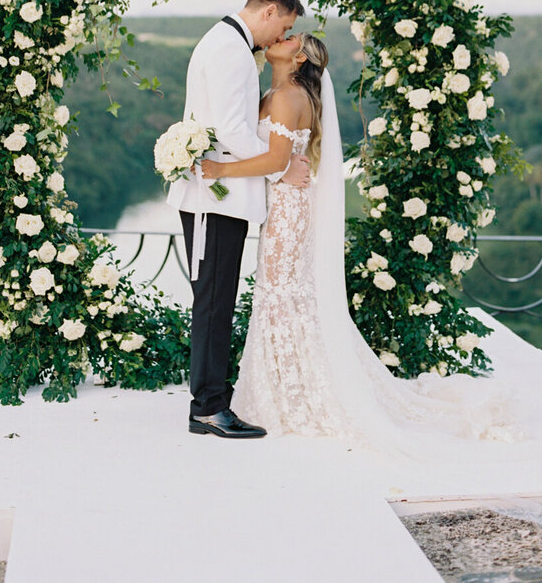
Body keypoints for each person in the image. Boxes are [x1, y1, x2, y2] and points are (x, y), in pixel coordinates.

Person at [201, 31, 525, 444]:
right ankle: (286, 387)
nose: (281, 38)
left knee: (279, 294)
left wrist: (220, 170)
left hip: (287, 209)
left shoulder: (286, 97)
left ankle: (293, 396)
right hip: (282, 205)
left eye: (291, 39)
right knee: (281, 295)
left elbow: (277, 160)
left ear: (299, 59)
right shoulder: (277, 93)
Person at [166, 0, 311, 439]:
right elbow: (231, 130)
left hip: (218, 195)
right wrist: (280, 168)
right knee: (214, 301)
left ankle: (213, 399)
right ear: (269, 12)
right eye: (283, 26)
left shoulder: (226, 41)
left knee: (216, 298)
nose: (280, 37)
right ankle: (208, 408)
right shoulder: (230, 49)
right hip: (215, 198)